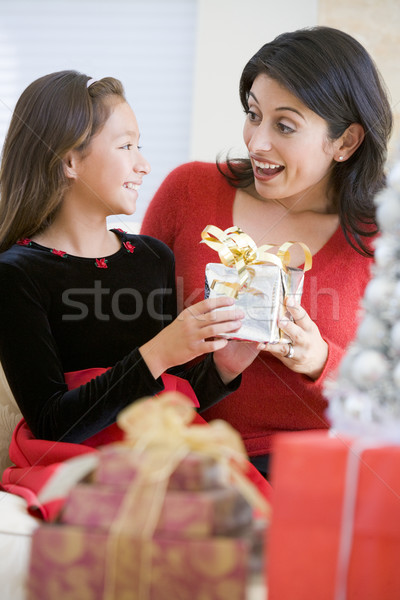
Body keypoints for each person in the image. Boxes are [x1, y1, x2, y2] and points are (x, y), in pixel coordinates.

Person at [141, 26, 393, 478]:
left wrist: (319, 360)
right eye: (253, 114)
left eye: (284, 126)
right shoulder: (188, 192)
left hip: (319, 469)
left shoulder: (383, 237)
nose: (257, 142)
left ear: (345, 142)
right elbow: (131, 349)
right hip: (187, 456)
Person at [0, 72, 267, 469]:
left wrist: (224, 367)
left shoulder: (152, 258)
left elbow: (169, 401)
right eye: (126, 146)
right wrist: (158, 351)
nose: (143, 164)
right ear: (70, 161)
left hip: (159, 459)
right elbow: (53, 425)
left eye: (139, 146)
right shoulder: (17, 274)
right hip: (81, 467)